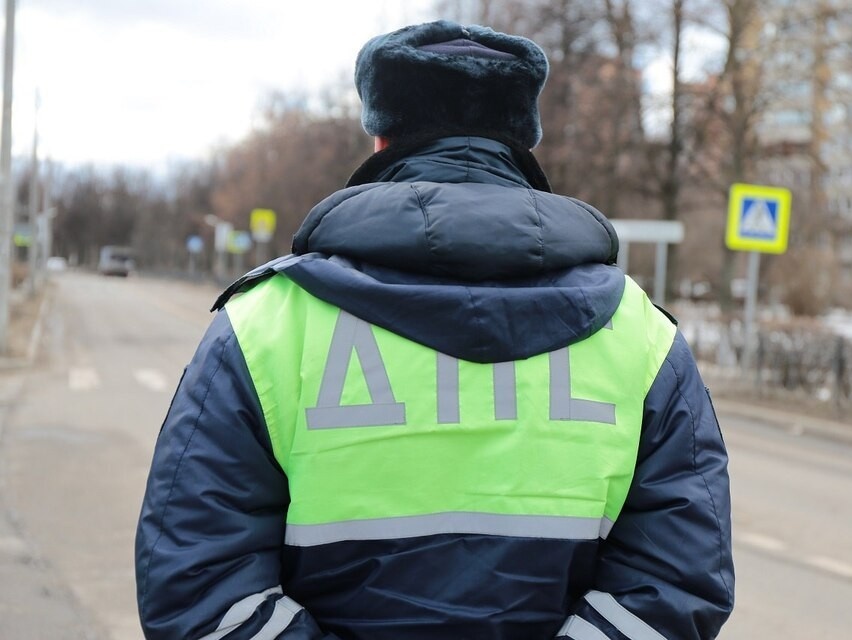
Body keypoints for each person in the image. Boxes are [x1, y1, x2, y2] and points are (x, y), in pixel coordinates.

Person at [135, 19, 734, 640]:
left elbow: (199, 584)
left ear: (380, 140)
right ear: (522, 144)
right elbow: (677, 582)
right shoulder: (640, 337)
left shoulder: (266, 325)